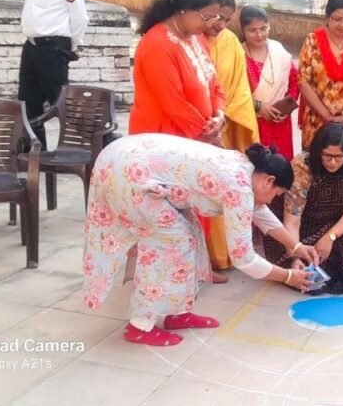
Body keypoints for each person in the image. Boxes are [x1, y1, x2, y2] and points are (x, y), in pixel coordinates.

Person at [83, 135, 319, 346]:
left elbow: (259, 213)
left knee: (191, 237)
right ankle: (139, 325)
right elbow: (244, 259)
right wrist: (289, 276)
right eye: (276, 194)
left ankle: (177, 311)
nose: (270, 201)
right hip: (127, 173)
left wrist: (296, 246)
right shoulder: (239, 189)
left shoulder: (246, 171)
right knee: (170, 245)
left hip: (129, 158)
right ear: (268, 181)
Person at [263, 123, 343, 294]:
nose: (333, 162)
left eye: (339, 157)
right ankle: (301, 269)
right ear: (318, 151)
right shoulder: (303, 166)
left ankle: (328, 269)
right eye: (327, 155)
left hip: (333, 225)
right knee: (300, 266)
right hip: (302, 229)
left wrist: (330, 237)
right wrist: (295, 256)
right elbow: (292, 221)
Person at [202, 0, 261, 281]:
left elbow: (239, 91)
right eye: (214, 17)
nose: (219, 25)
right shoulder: (185, 40)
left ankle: (222, 256)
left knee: (220, 195)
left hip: (223, 131)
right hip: (191, 131)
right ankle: (198, 260)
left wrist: (223, 119)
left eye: (226, 20)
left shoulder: (230, 44)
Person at [128, 0, 226, 143]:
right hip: (162, 141)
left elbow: (214, 83)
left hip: (198, 138)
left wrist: (219, 115)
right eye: (207, 17)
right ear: (183, 9)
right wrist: (204, 134)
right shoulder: (157, 45)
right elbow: (174, 103)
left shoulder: (198, 37)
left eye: (215, 17)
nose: (211, 24)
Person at [19, 0, 88, 148]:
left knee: (62, 103)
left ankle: (99, 141)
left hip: (53, 47)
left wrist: (74, 45)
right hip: (32, 46)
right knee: (28, 103)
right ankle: (34, 151)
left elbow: (78, 15)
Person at [298, 0, 343, 150]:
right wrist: (326, 116)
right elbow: (303, 81)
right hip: (316, 120)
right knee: (314, 167)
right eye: (337, 19)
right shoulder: (312, 40)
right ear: (327, 17)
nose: (342, 24)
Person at [240, 5, 299, 160]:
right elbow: (233, 92)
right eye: (252, 30)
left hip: (280, 123)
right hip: (252, 123)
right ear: (243, 30)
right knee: (256, 168)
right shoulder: (238, 55)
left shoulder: (277, 50)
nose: (259, 34)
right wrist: (259, 106)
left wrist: (286, 107)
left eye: (263, 28)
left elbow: (294, 79)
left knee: (280, 167)